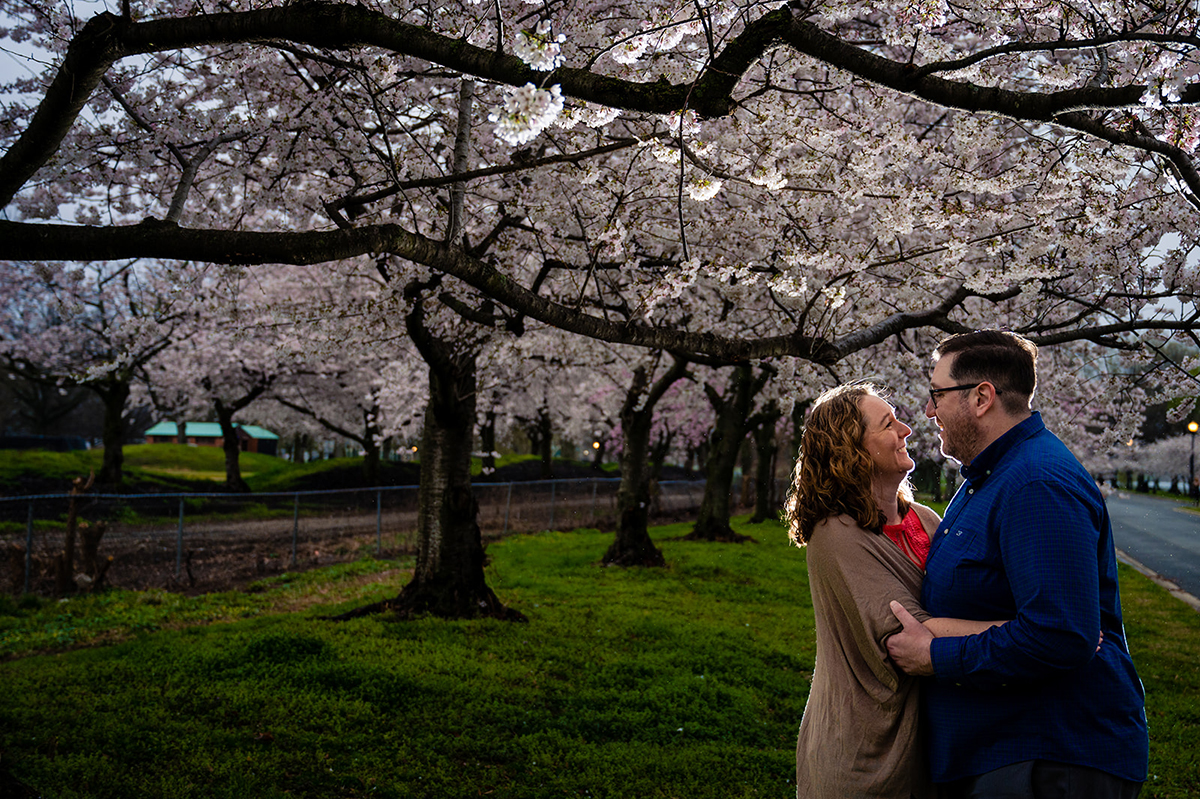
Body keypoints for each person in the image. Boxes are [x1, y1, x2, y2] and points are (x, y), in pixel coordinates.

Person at [886, 330, 1149, 799]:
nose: (929, 411)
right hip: (1004, 753)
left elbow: (1061, 635)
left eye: (936, 394)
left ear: (982, 396)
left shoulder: (1035, 483)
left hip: (1045, 757)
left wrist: (935, 655)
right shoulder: (988, 477)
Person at [785, 383, 1003, 799]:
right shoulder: (835, 533)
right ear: (852, 449)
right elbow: (908, 634)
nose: (906, 428)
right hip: (863, 750)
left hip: (935, 744)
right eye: (888, 424)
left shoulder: (925, 519)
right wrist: (1032, 630)